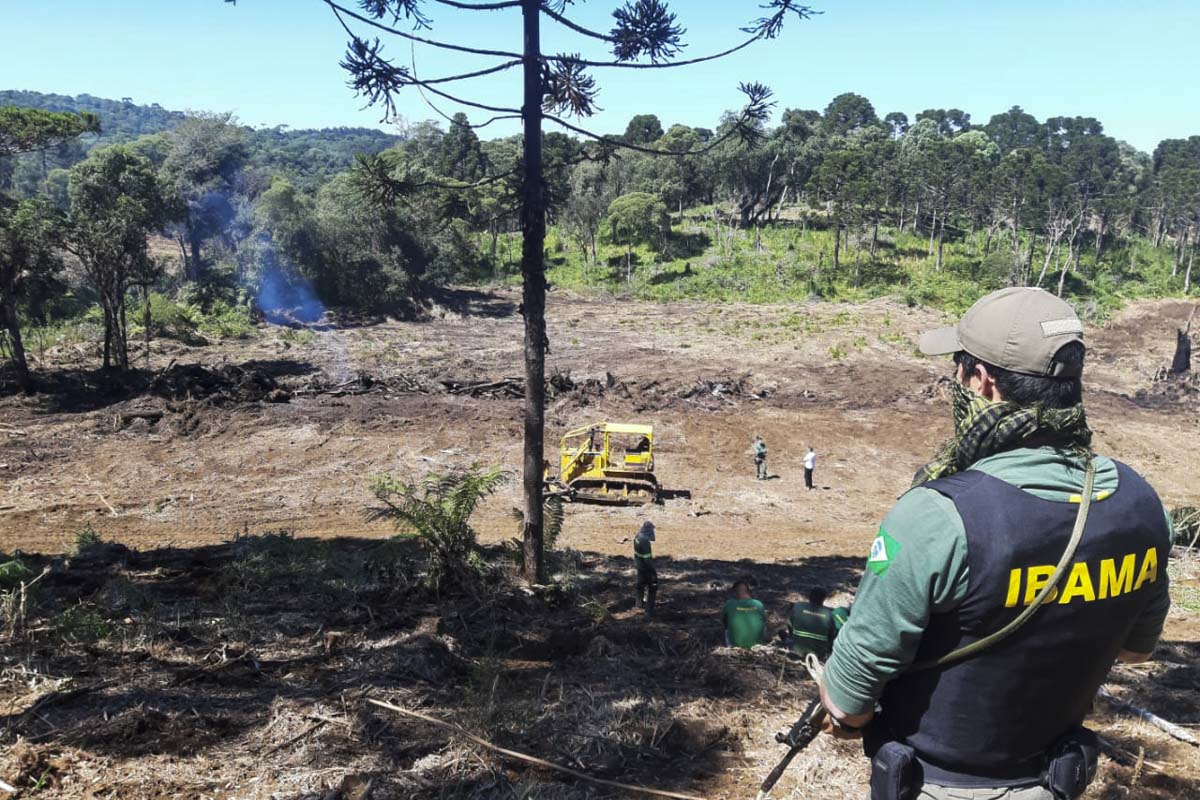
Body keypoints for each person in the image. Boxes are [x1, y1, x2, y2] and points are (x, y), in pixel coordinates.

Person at [817, 288, 1173, 800]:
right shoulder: (1141, 502)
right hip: (1057, 777)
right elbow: (1138, 651)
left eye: (958, 370)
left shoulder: (937, 515)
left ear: (981, 382)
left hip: (940, 783)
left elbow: (848, 702)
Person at [786, 587, 837, 659]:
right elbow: (832, 635)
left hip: (797, 650)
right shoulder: (828, 614)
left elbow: (789, 624)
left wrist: (793, 636)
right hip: (819, 654)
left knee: (782, 633)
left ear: (809, 597)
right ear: (823, 599)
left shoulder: (798, 606)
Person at [722, 580, 767, 648]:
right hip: (757, 646)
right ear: (748, 591)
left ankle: (731, 645)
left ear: (737, 592)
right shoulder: (759, 604)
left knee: (726, 629)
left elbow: (724, 622)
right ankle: (759, 641)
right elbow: (763, 621)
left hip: (736, 646)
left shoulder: (729, 604)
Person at [633, 520, 658, 617]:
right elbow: (648, 560)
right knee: (653, 587)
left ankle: (638, 604)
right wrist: (653, 572)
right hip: (647, 568)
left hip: (639, 566)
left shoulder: (637, 536)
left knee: (640, 586)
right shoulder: (645, 542)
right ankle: (649, 610)